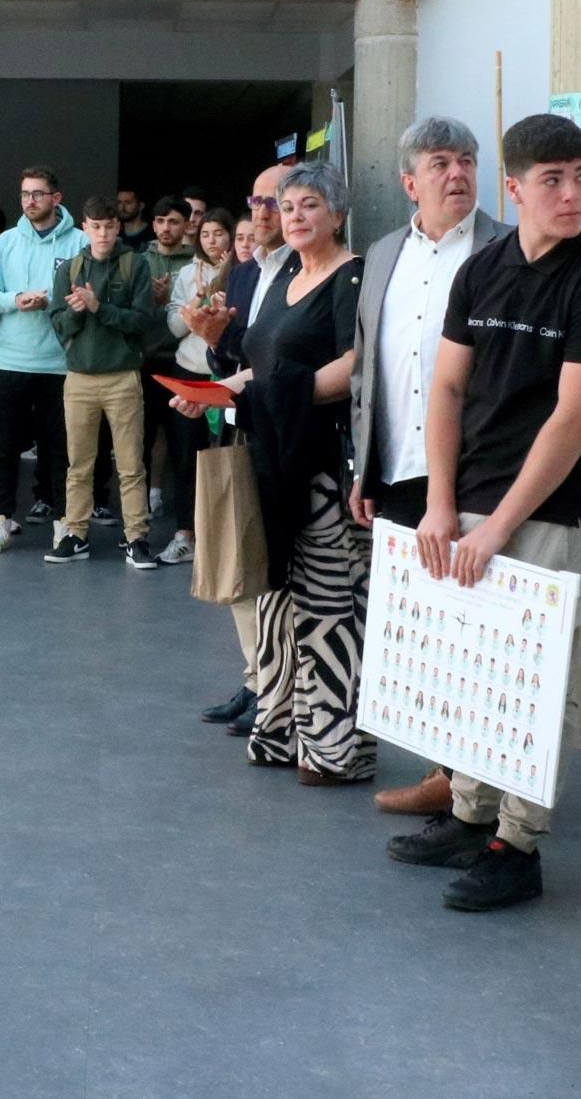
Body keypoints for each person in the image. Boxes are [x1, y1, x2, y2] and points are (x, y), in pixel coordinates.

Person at [386, 112, 581, 912]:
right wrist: (440, 501)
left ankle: (517, 843)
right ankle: (469, 812)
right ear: (515, 187)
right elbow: (449, 387)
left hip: (550, 511)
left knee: (532, 679)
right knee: (468, 666)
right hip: (469, 502)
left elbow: (573, 418)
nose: (572, 193)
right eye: (553, 179)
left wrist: (497, 525)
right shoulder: (484, 268)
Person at [177, 161, 370, 785]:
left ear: (336, 214)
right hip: (272, 458)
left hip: (322, 469)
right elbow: (260, 364)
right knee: (277, 604)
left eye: (310, 205)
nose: (295, 217)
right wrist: (212, 390)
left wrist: (277, 394)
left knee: (327, 611)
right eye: (287, 208)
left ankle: (336, 750)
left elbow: (357, 364)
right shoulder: (285, 269)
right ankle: (284, 728)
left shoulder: (352, 276)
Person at [350, 117, 515, 817]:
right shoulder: (386, 253)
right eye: (441, 162)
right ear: (410, 181)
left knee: (476, 630)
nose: (458, 174)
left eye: (468, 161)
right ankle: (447, 771)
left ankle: (477, 785)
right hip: (398, 468)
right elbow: (370, 365)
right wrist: (363, 468)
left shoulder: (509, 252)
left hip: (477, 473)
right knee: (421, 630)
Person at [185, 164, 294, 734]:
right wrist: (212, 344)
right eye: (258, 200)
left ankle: (276, 688)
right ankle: (255, 678)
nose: (266, 211)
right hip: (237, 425)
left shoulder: (311, 273)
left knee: (273, 572)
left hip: (287, 439)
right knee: (236, 563)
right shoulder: (249, 273)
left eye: (280, 202)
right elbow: (230, 355)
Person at [44, 195, 157, 568]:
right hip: (78, 378)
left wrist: (98, 308)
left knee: (131, 464)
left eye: (110, 226)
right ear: (84, 228)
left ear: (118, 227)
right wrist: (77, 315)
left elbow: (142, 322)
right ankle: (74, 533)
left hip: (123, 376)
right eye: (96, 226)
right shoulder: (71, 269)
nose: (104, 233)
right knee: (78, 463)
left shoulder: (134, 265)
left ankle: (136, 537)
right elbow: (57, 323)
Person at [0, 165, 82, 553]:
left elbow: (87, 294)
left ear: (56, 198)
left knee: (60, 449)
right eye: (25, 194)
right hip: (11, 360)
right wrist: (15, 300)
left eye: (38, 194)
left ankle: (63, 523)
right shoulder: (6, 242)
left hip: (60, 363)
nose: (30, 201)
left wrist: (54, 301)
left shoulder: (80, 241)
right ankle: (1, 520)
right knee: (6, 448)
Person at [156, 206, 234, 564]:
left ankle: (221, 539)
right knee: (187, 457)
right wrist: (198, 301)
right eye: (205, 234)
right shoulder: (188, 273)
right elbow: (174, 328)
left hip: (230, 373)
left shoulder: (246, 271)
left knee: (228, 457)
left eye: (219, 233)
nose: (212, 240)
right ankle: (185, 533)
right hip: (189, 370)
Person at [138, 194, 194, 523]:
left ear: (187, 225)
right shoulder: (137, 260)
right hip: (143, 360)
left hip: (180, 363)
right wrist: (150, 299)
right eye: (159, 221)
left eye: (173, 221)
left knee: (181, 443)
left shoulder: (195, 262)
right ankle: (140, 507)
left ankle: (182, 516)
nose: (165, 228)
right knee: (140, 439)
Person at [115, 186, 153, 252]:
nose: (122, 207)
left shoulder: (152, 234)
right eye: (119, 202)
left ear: (141, 206)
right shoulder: (115, 233)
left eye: (128, 203)